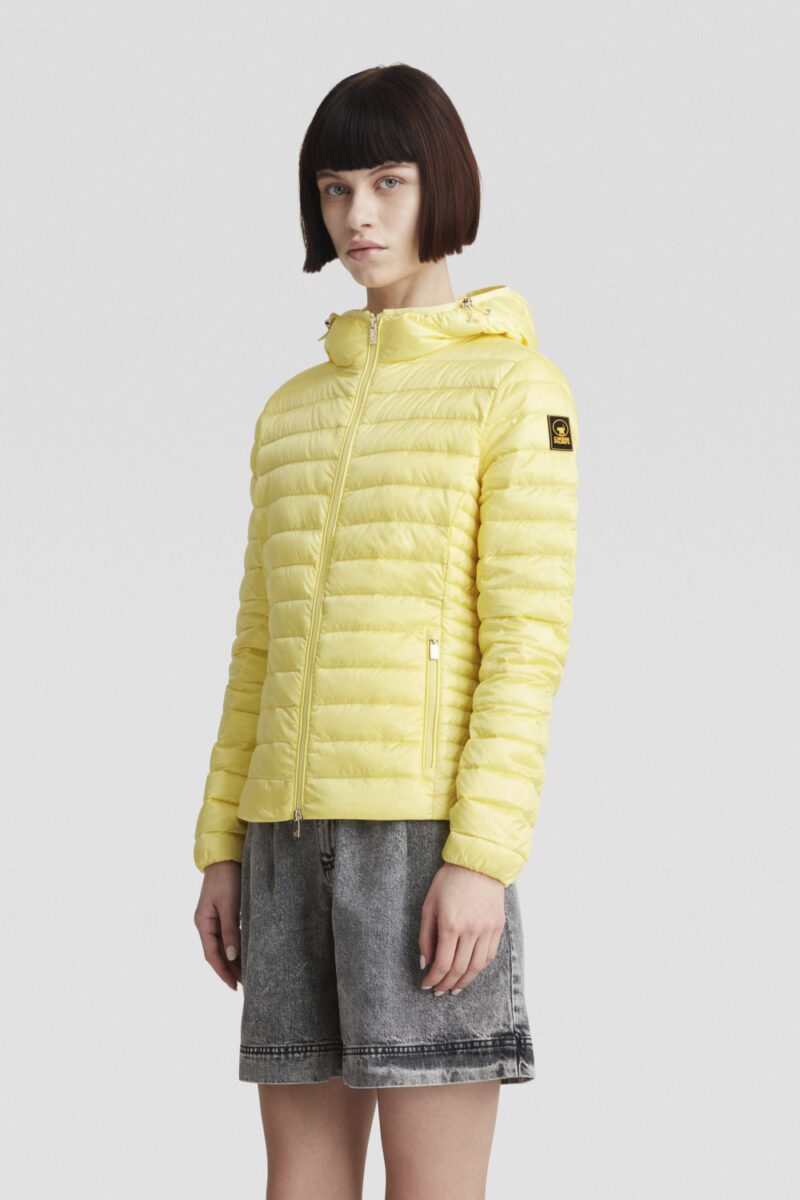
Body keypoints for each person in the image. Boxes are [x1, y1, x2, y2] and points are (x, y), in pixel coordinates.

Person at [193, 63, 579, 1199]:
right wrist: (221, 842)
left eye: (387, 182)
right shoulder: (290, 411)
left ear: (438, 186)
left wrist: (479, 859)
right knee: (298, 1184)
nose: (357, 215)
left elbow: (525, 643)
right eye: (333, 189)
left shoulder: (516, 392)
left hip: (420, 846)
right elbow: (257, 647)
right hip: (282, 837)